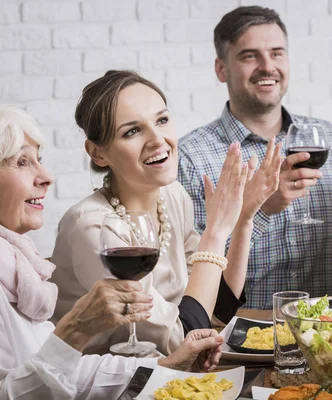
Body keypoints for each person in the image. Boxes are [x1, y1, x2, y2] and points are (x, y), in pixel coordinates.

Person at [0, 106, 224, 399]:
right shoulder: (89, 222)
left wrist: (164, 367)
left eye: (39, 160)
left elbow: (65, 370)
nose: (46, 176)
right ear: (98, 153)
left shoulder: (16, 264)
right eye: (21, 162)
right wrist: (75, 330)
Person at [51, 70, 281, 355]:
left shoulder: (172, 197)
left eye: (161, 120)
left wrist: (244, 218)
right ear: (98, 153)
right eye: (132, 131)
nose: (158, 139)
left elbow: (218, 309)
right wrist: (216, 231)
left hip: (162, 375)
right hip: (102, 385)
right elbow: (179, 340)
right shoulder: (94, 227)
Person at [178, 6, 332, 309]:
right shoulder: (192, 158)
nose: (267, 66)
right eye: (249, 56)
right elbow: (192, 271)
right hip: (240, 336)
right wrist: (263, 209)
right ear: (221, 69)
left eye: (277, 53)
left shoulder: (326, 137)